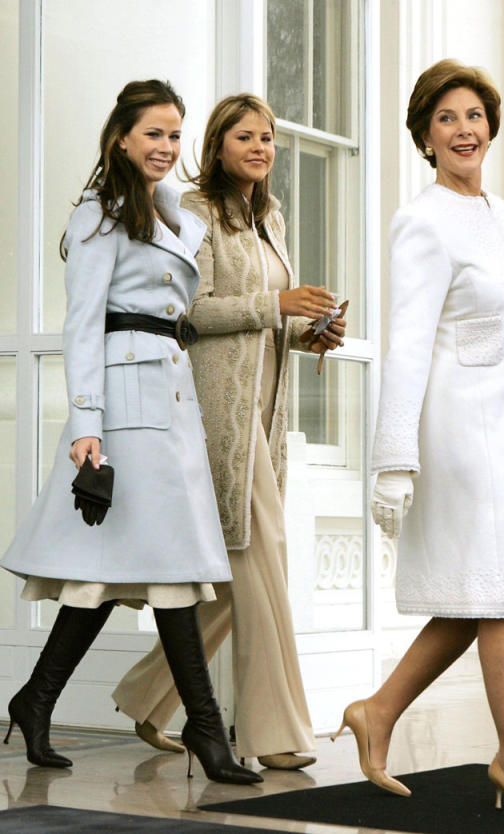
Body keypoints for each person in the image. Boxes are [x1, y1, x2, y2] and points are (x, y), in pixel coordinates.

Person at [0, 80, 260, 785]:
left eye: (175, 135)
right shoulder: (99, 214)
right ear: (121, 136)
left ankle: (35, 698)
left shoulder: (168, 210)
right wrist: (86, 425)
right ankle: (208, 734)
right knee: (167, 568)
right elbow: (82, 324)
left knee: (106, 574)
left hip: (168, 398)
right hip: (122, 406)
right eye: (153, 134)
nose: (166, 148)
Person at [334, 59, 504, 821]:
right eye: (447, 119)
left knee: (481, 596)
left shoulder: (500, 215)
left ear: (490, 127)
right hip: (461, 430)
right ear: (425, 137)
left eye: (474, 116)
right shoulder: (423, 220)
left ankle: (378, 711)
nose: (464, 130)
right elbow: (408, 344)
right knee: (501, 592)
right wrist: (392, 460)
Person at [112, 94, 345, 771]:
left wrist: (311, 331)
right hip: (217, 417)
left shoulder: (268, 216)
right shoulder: (195, 211)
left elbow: (273, 319)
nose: (260, 148)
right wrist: (275, 304)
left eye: (268, 138)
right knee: (263, 561)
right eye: (246, 137)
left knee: (232, 573)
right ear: (217, 146)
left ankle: (146, 697)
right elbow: (187, 312)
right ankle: (274, 734)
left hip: (265, 424)